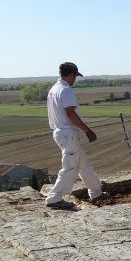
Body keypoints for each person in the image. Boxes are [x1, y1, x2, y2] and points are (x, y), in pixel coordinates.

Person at [44, 62, 107, 209]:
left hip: (61, 132)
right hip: (68, 134)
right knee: (70, 167)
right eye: (75, 76)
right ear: (71, 74)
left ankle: (96, 192)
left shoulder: (54, 89)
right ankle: (54, 199)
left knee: (83, 165)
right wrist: (87, 130)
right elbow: (70, 113)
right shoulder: (66, 90)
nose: (75, 80)